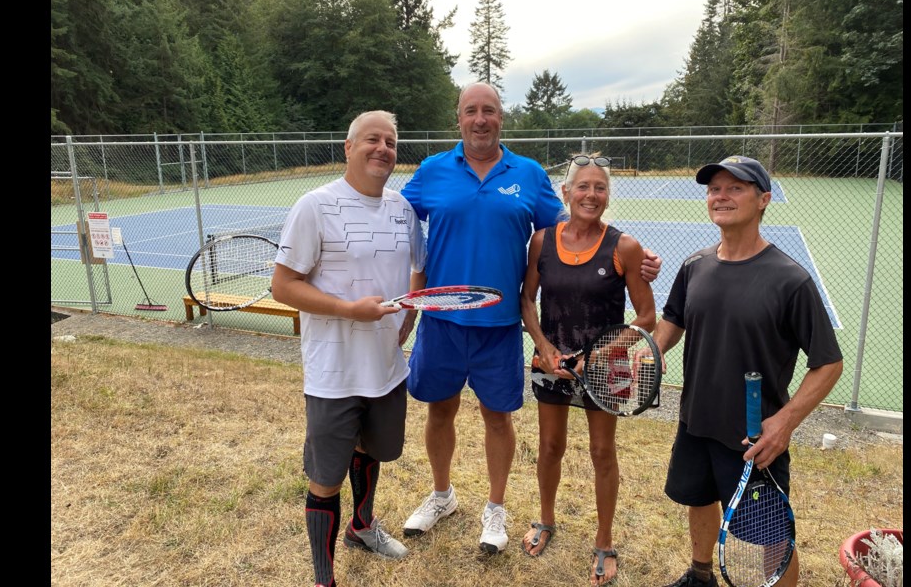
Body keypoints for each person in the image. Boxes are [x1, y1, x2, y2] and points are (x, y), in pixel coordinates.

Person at [399, 81, 663, 555]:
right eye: (471, 111)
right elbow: (393, 220)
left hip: (499, 327)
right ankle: (442, 496)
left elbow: (575, 228)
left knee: (497, 418)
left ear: (502, 117)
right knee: (440, 411)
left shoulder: (529, 173)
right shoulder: (432, 170)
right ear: (458, 118)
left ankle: (495, 510)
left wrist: (640, 260)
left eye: (490, 111)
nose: (481, 119)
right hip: (440, 322)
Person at [654, 156, 843, 587]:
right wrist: (654, 349)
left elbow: (829, 363)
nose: (721, 196)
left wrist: (784, 423)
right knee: (698, 499)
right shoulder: (695, 265)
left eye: (735, 188)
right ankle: (701, 576)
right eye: (714, 189)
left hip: (753, 435)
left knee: (771, 539)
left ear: (763, 200)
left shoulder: (789, 280)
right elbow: (673, 320)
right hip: (695, 420)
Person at [271, 111, 426, 587]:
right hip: (333, 373)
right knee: (325, 477)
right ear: (348, 147)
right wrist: (347, 310)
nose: (383, 148)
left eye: (391, 142)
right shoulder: (314, 206)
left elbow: (418, 268)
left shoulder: (403, 209)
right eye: (372, 140)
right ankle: (324, 579)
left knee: (374, 450)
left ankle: (361, 526)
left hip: (385, 368)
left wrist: (409, 316)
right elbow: (282, 286)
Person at [519, 155, 657, 586]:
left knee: (602, 453)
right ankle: (545, 520)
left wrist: (597, 355)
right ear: (566, 193)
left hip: (605, 369)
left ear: (607, 195)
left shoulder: (625, 247)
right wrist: (544, 349)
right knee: (549, 447)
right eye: (583, 187)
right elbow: (526, 301)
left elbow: (647, 317)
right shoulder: (541, 241)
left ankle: (603, 541)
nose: (591, 195)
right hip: (551, 365)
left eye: (599, 188)